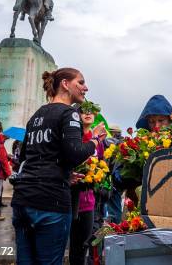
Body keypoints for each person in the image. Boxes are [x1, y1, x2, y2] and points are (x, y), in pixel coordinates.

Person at [11, 68, 106, 265]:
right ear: (65, 84)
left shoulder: (36, 115)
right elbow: (75, 153)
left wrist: (64, 173)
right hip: (50, 201)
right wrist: (95, 140)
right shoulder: (69, 113)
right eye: (80, 82)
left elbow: (26, 158)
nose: (85, 88)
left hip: (23, 199)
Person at [69, 106, 105, 265]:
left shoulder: (98, 140)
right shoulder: (72, 137)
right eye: (83, 111)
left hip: (89, 202)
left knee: (83, 246)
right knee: (73, 246)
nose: (88, 113)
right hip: (69, 200)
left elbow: (102, 165)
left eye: (91, 111)